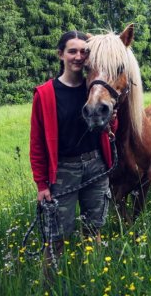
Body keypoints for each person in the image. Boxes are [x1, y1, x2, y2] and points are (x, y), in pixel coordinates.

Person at [29, 30, 115, 267]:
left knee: (94, 230)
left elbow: (109, 129)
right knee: (56, 236)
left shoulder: (95, 89)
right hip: (63, 170)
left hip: (96, 166)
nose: (78, 57)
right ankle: (51, 283)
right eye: (72, 51)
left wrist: (112, 118)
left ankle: (96, 277)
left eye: (83, 52)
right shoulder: (45, 94)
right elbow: (37, 143)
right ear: (61, 55)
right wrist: (41, 184)